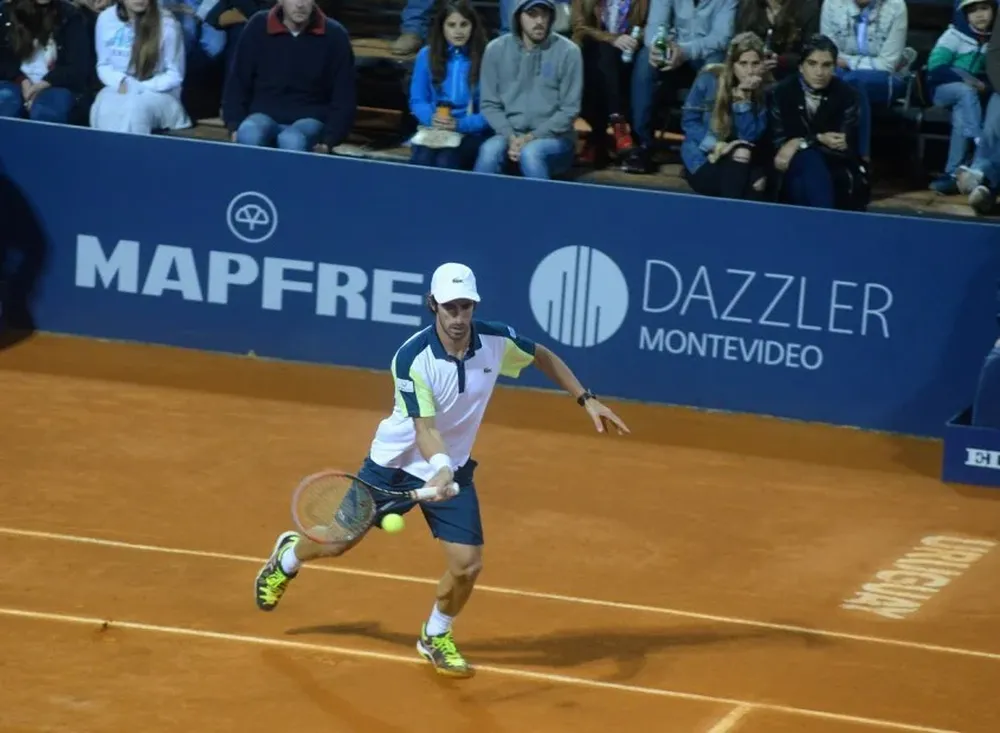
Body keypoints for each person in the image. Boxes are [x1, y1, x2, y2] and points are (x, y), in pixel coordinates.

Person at [253, 262, 630, 679]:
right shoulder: (412, 358)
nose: (459, 317)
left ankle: (435, 635)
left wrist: (585, 398)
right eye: (450, 307)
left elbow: (541, 356)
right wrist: (439, 468)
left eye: (466, 307)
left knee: (467, 565)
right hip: (393, 467)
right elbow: (425, 428)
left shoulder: (495, 341)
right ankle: (287, 557)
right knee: (335, 542)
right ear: (433, 305)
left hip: (453, 468)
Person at [222, 0, 356, 153]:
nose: (300, 4)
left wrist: (329, 141)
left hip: (310, 118)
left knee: (292, 140)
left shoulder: (335, 35)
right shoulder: (258, 26)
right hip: (262, 114)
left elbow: (344, 97)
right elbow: (237, 81)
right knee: (249, 133)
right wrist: (234, 125)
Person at [474, 0, 583, 180]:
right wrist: (510, 136)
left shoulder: (569, 52)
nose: (539, 21)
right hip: (509, 134)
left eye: (544, 14)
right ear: (518, 16)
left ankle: (541, 208)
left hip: (555, 138)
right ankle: (476, 207)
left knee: (531, 153)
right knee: (489, 151)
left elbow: (569, 109)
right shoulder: (495, 50)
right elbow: (489, 104)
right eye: (532, 14)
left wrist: (531, 137)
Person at [768, 33, 870, 211]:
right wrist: (818, 139)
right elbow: (779, 144)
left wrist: (801, 142)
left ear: (834, 67)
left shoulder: (847, 95)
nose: (819, 72)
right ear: (801, 66)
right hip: (791, 165)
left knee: (805, 175)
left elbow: (841, 146)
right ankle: (825, 223)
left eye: (826, 65)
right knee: (807, 160)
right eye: (812, 64)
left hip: (834, 164)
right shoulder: (781, 93)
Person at [680, 30, 770, 200]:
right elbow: (689, 122)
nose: (749, 71)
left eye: (755, 63)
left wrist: (743, 99)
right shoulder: (708, 80)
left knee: (759, 181)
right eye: (743, 63)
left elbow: (749, 136)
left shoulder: (763, 91)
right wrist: (718, 146)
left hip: (742, 158)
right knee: (743, 162)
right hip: (703, 158)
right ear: (732, 64)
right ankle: (730, 220)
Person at [407, 0, 491, 170]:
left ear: (473, 27)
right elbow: (417, 100)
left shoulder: (487, 57)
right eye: (451, 25)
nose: (458, 31)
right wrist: (432, 119)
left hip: (470, 132)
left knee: (446, 159)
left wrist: (460, 125)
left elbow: (491, 111)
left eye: (464, 24)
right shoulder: (426, 55)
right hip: (434, 128)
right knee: (422, 157)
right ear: (442, 28)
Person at [89, 0, 192, 135]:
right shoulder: (106, 19)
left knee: (133, 108)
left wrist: (139, 87)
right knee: (104, 105)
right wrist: (121, 81)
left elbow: (174, 75)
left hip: (159, 93)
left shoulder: (167, 24)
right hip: (120, 87)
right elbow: (103, 65)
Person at [0, 0, 95, 124]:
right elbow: (3, 59)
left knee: (46, 109)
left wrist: (44, 83)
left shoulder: (70, 16)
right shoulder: (7, 12)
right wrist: (22, 80)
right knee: (5, 101)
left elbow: (77, 66)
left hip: (57, 84)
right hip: (15, 81)